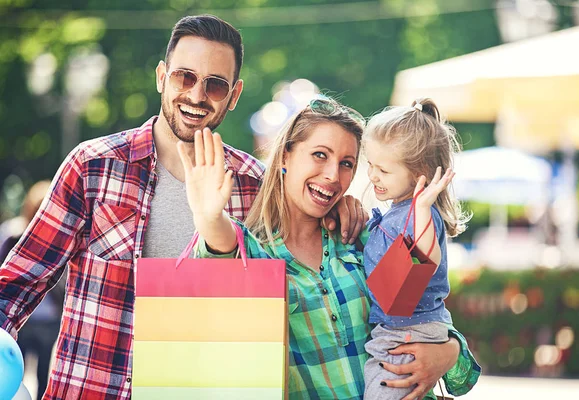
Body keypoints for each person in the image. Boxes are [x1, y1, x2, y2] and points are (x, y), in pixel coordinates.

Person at [0, 15, 365, 399]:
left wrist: (341, 208)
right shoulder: (92, 166)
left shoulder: (258, 186)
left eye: (215, 85)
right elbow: (17, 283)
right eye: (184, 77)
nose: (196, 95)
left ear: (234, 94)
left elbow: (307, 259)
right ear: (162, 76)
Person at [183, 96, 480, 400]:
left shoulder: (364, 239)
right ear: (285, 156)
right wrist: (208, 219)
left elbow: (431, 325)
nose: (332, 176)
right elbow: (220, 253)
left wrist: (448, 352)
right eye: (320, 155)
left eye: (347, 164)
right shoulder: (259, 253)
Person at [361, 98, 471, 399]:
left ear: (419, 173)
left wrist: (422, 206)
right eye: (370, 165)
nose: (372, 176)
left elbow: (425, 262)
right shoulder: (401, 213)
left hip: (406, 335)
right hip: (401, 331)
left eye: (383, 170)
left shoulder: (420, 214)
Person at [0, 180, 64, 400]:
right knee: (14, 373)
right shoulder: (12, 235)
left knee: (43, 376)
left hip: (49, 319)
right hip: (23, 320)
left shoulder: (64, 238)